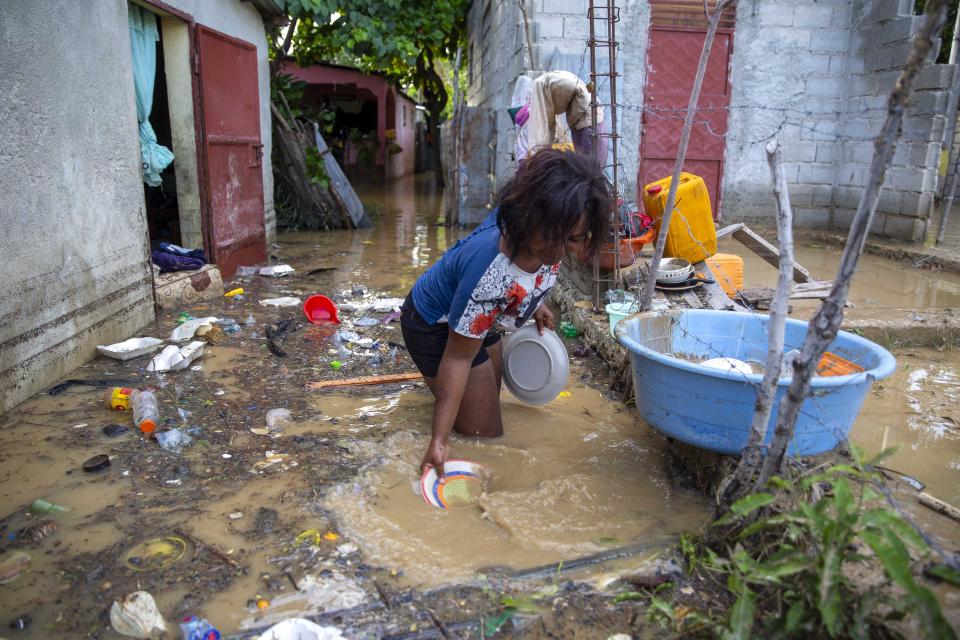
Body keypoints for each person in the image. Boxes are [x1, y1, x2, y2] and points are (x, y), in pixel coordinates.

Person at [400, 149, 611, 479]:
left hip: (484, 314)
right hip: (434, 324)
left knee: (489, 407)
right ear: (527, 216)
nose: (557, 251)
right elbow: (457, 359)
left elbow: (524, 278)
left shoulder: (546, 224)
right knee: (484, 438)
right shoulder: (490, 273)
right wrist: (438, 442)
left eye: (572, 240)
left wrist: (534, 304)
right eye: (553, 237)